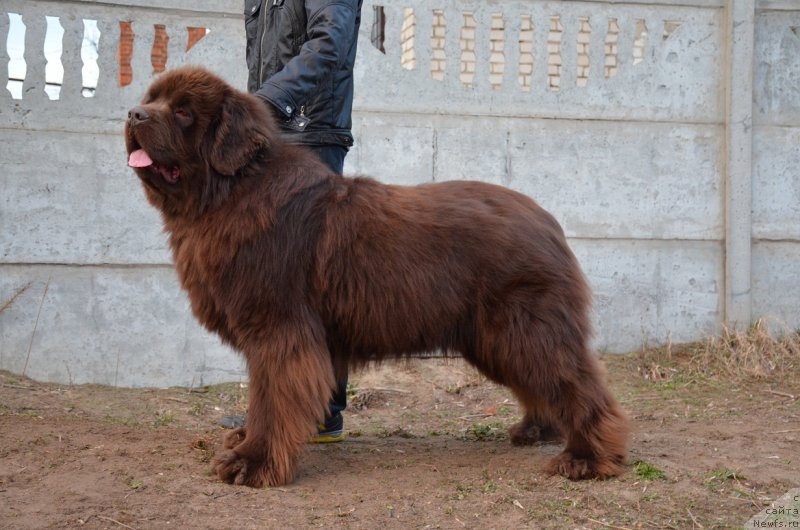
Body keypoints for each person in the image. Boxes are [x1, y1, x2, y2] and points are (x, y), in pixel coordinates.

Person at [220, 0, 363, 442]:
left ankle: (323, 412)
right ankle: (281, 408)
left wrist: (266, 103)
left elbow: (329, 42)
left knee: (319, 284)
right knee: (270, 287)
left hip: (309, 133)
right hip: (271, 133)